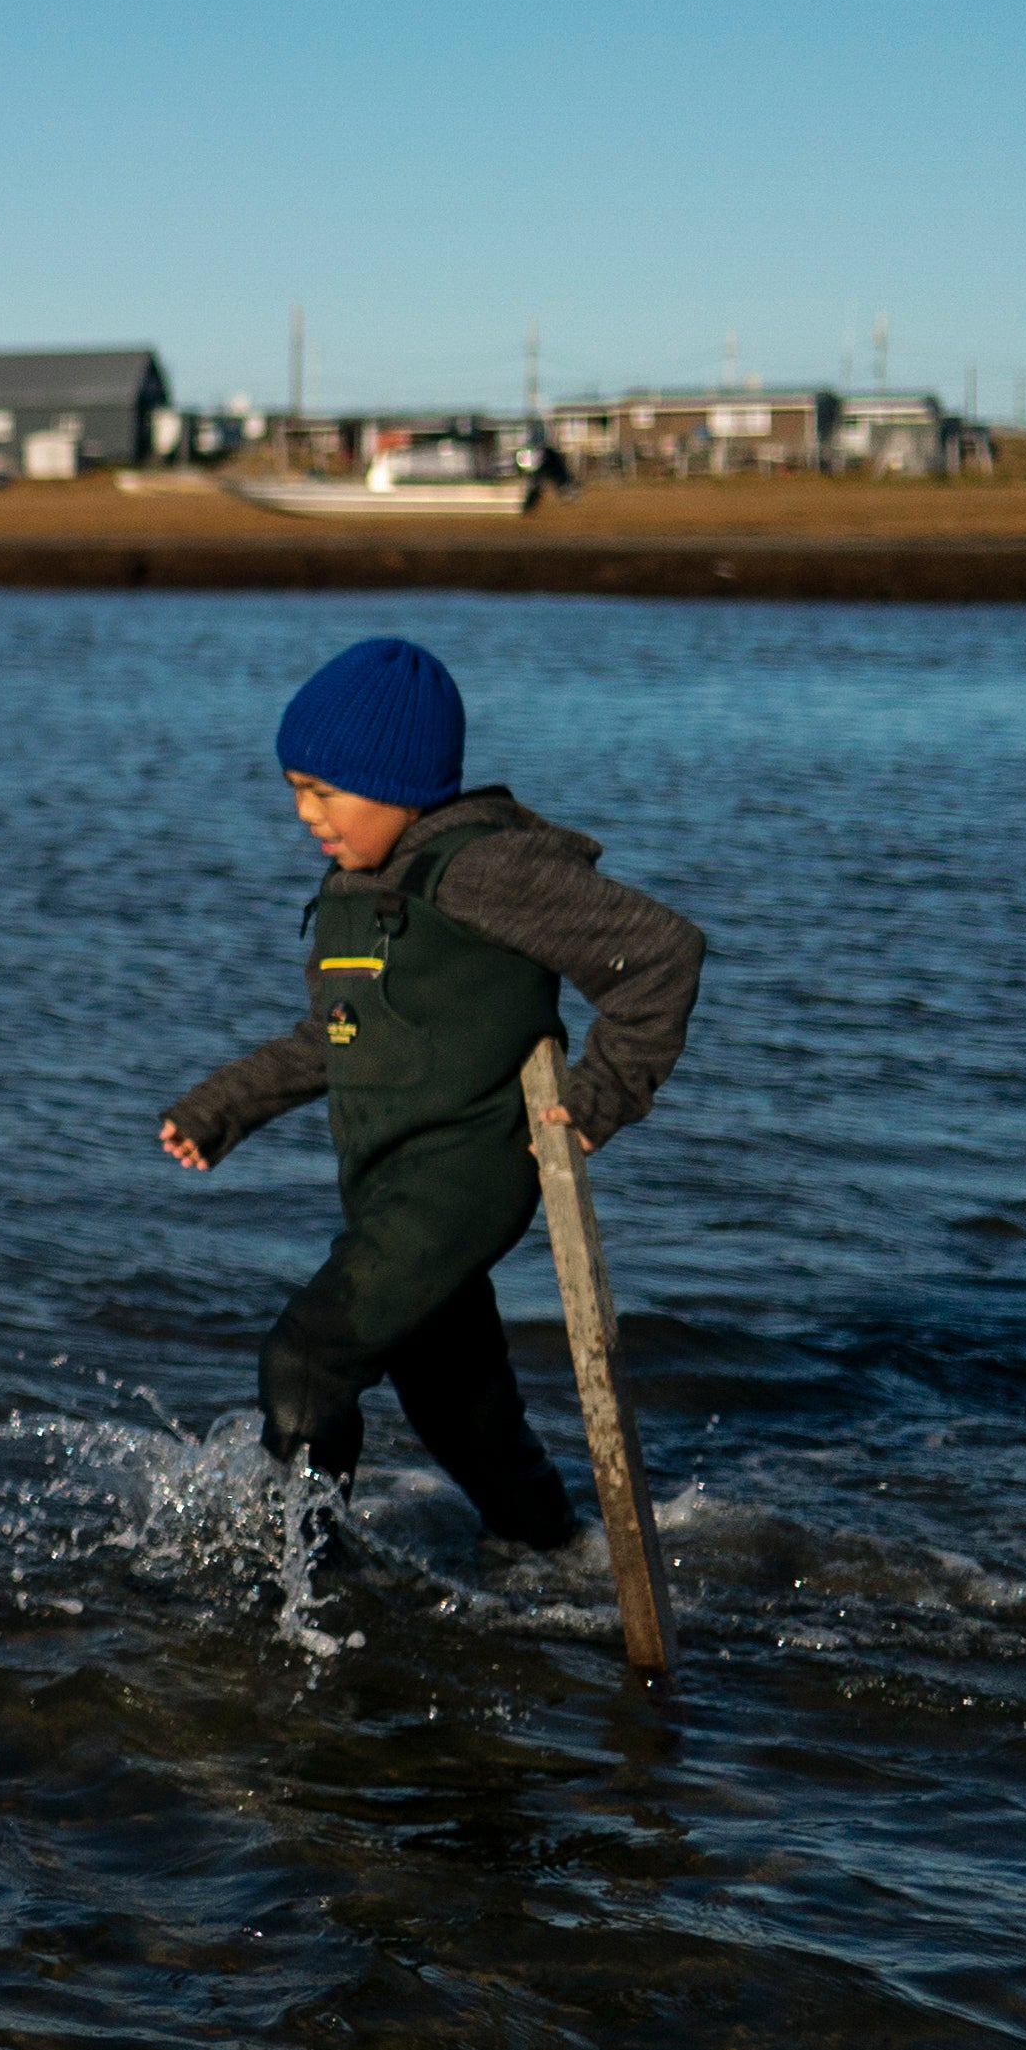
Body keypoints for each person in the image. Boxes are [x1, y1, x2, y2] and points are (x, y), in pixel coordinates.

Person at [156, 634, 704, 1547]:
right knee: (461, 1414)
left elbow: (659, 954)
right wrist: (226, 1106)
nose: (304, 814)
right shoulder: (361, 885)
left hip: (460, 1180)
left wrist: (601, 1096)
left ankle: (295, 1599)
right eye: (295, 788)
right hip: (384, 1187)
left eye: (325, 792)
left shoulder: (485, 869)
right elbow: (334, 1037)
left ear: (403, 784)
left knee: (306, 1360)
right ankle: (553, 1559)